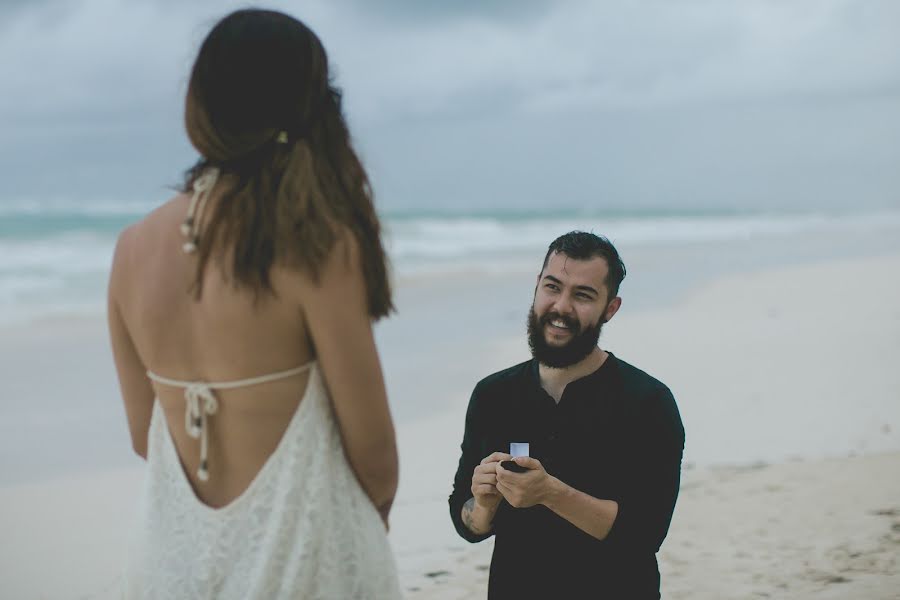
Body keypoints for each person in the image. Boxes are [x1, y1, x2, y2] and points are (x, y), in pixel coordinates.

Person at [107, 9, 401, 599]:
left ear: (202, 106)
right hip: (306, 560)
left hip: (170, 562)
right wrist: (364, 530)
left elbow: (147, 438)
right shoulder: (313, 243)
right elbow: (373, 450)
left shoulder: (133, 249)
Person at [449, 231, 685, 599]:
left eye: (583, 295)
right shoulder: (494, 395)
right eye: (552, 287)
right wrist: (483, 504)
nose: (561, 307)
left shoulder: (648, 402)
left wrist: (550, 493)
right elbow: (466, 524)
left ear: (611, 308)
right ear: (537, 288)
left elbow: (645, 534)